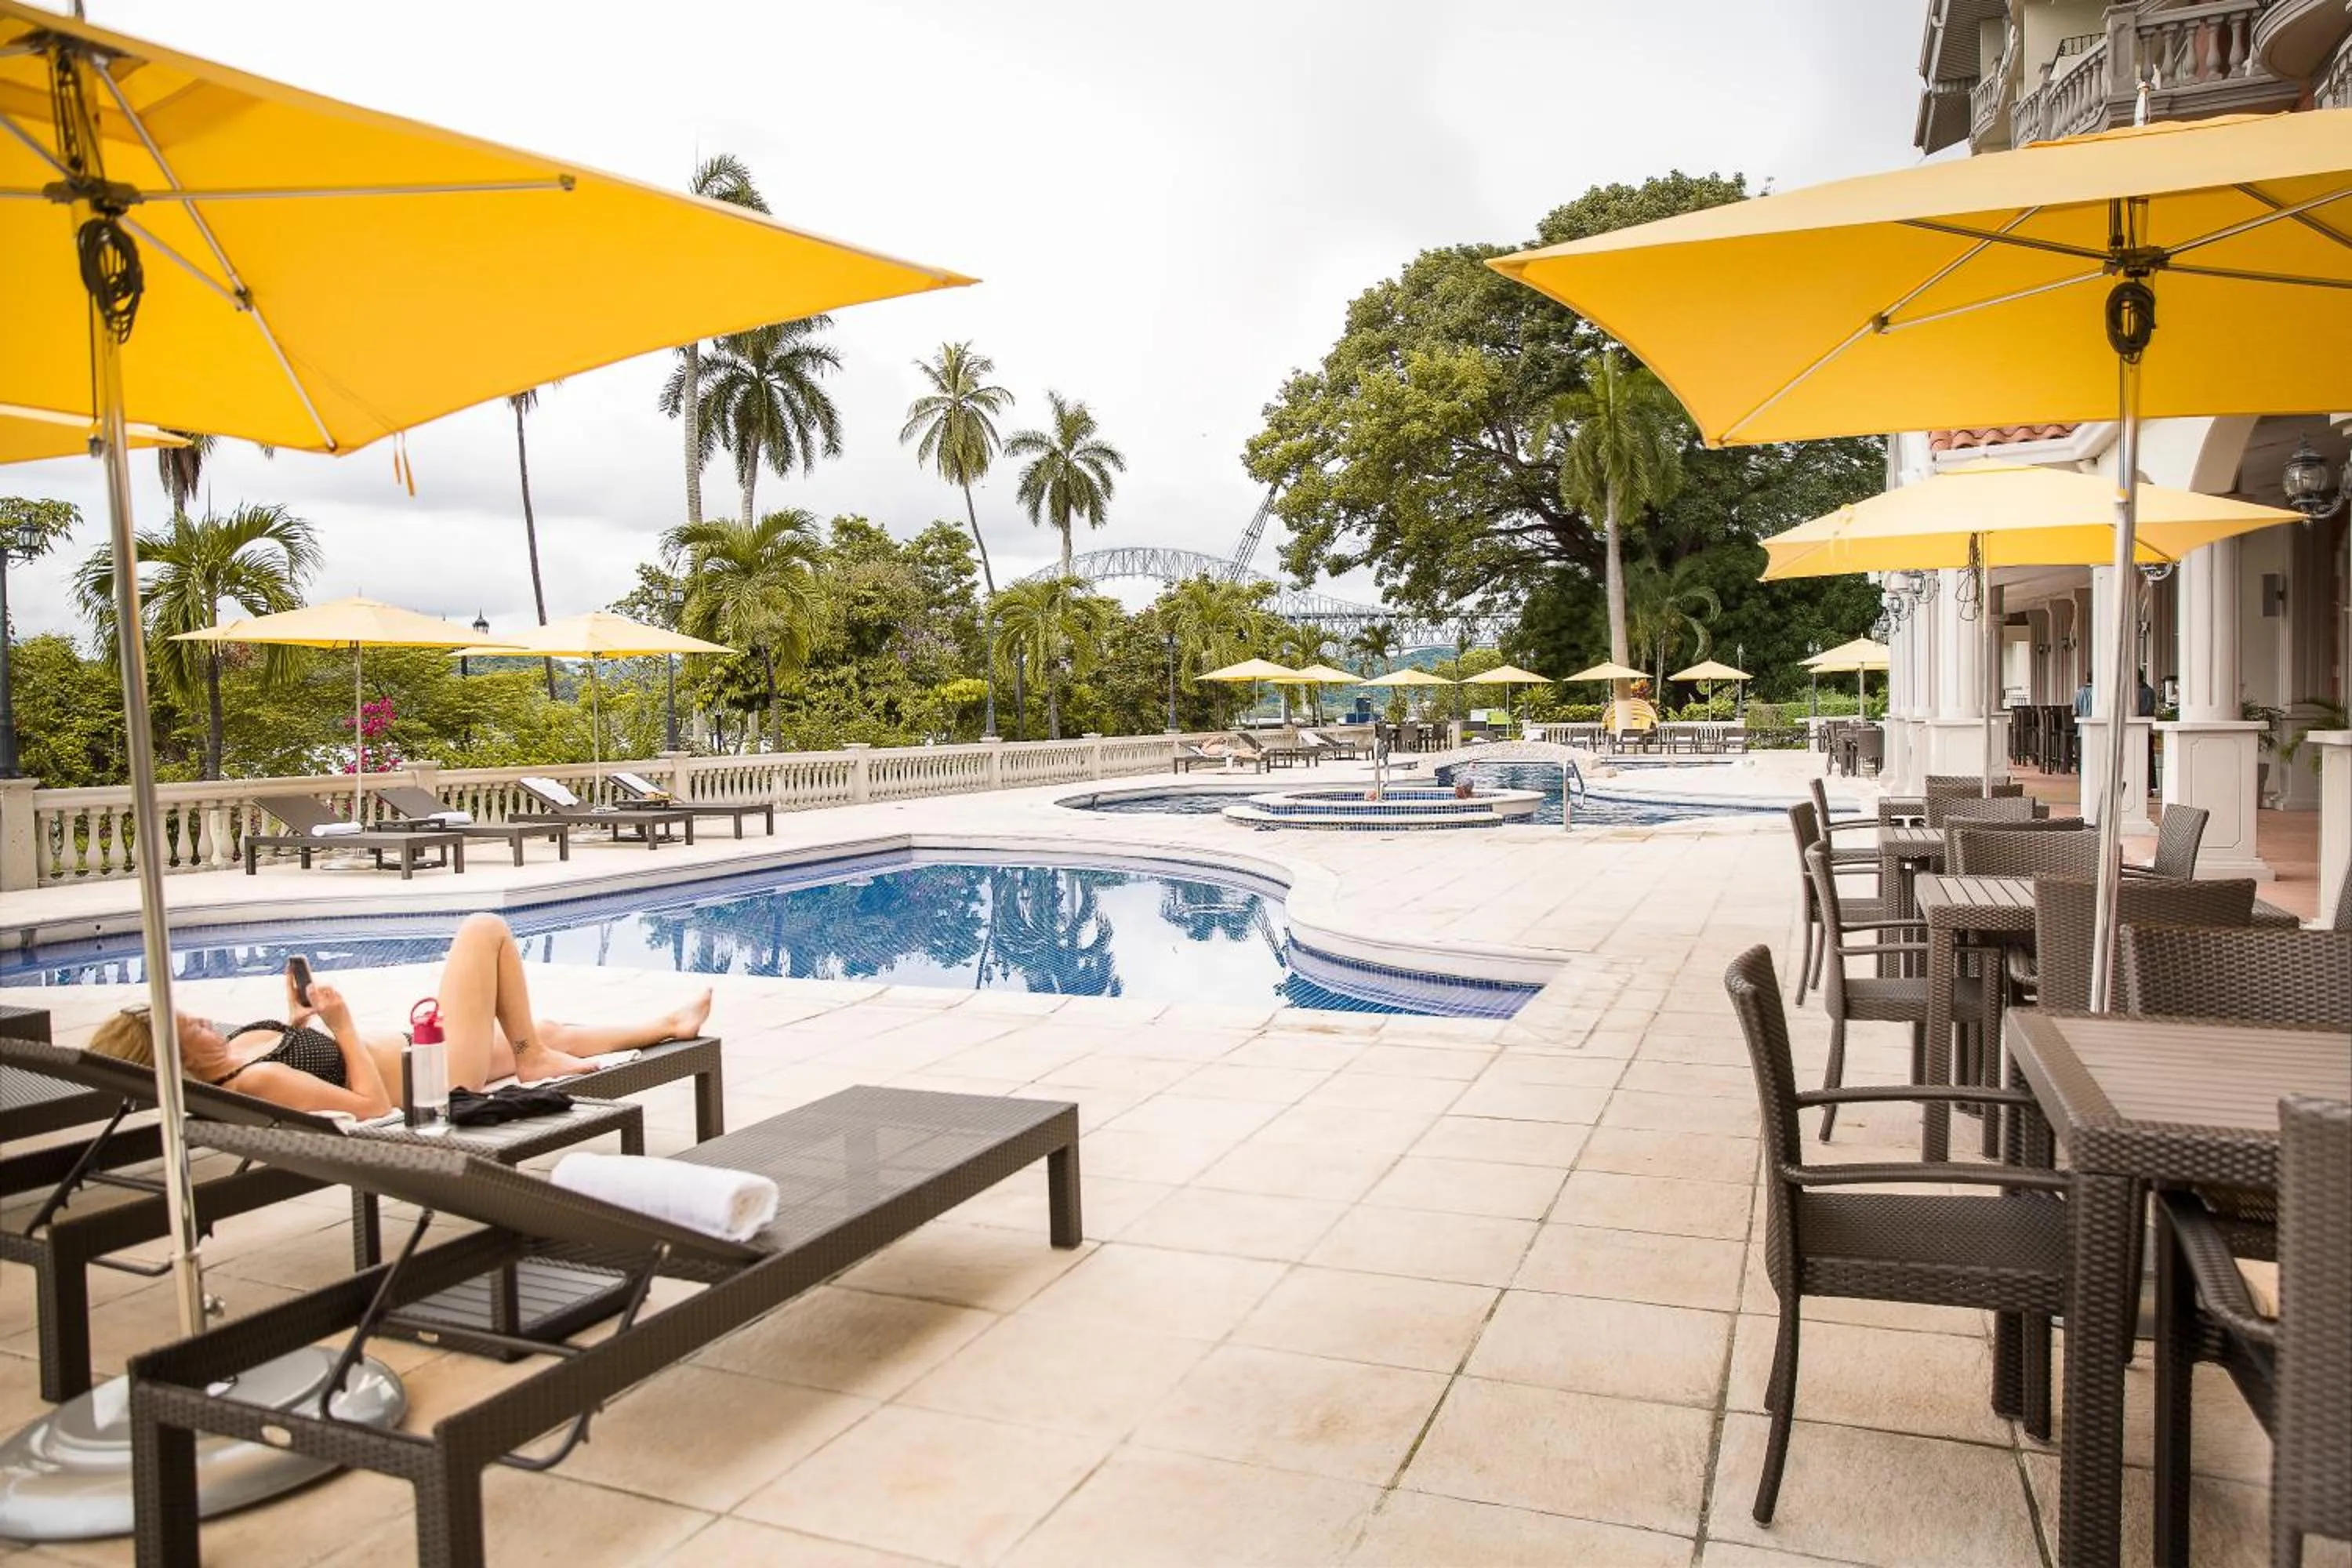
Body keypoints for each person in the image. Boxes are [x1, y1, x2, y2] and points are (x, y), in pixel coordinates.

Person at [87, 913, 713, 1120]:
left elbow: (311, 1061)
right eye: (187, 1028)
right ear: (175, 1062)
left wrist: (297, 1019)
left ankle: (667, 1027)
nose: (200, 1020)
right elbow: (371, 1109)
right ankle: (530, 1062)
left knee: (539, 1028)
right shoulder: (248, 1082)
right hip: (433, 1080)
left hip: (424, 1053)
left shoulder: (236, 1053)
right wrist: (343, 1027)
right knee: (484, 931)